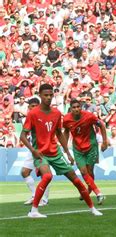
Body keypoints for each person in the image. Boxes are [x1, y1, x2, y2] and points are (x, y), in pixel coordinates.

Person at [20, 84, 102, 218]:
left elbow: (59, 133)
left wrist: (67, 153)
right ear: (40, 96)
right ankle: (34, 211)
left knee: (76, 180)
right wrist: (33, 150)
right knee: (47, 176)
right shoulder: (33, 114)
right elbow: (23, 136)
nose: (48, 97)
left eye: (50, 95)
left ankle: (92, 209)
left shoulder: (57, 113)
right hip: (40, 153)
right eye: (45, 95)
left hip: (55, 152)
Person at [63, 99, 108, 205]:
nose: (76, 109)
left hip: (91, 147)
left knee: (90, 171)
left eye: (78, 107)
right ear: (71, 109)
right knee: (83, 172)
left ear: (81, 107)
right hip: (77, 148)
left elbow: (101, 125)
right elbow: (66, 131)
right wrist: (65, 148)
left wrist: (105, 141)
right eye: (74, 107)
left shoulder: (89, 116)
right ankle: (98, 193)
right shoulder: (66, 119)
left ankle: (89, 189)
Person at [21, 98, 50, 206]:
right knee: (24, 172)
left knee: (45, 175)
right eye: (31, 106)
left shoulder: (44, 117)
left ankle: (44, 199)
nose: (32, 108)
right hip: (32, 149)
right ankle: (34, 195)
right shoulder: (27, 119)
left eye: (35, 106)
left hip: (43, 149)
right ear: (28, 107)